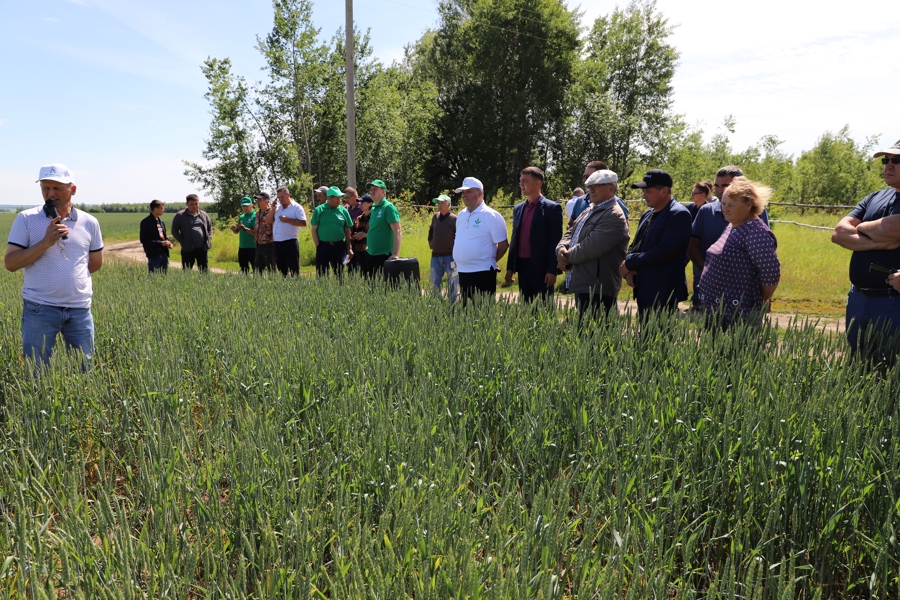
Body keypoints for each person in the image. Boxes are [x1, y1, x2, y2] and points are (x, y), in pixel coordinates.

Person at [5, 164, 103, 368]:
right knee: (36, 370)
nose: (50, 194)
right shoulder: (26, 219)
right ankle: (37, 400)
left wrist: (70, 279)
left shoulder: (89, 222)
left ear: (73, 190)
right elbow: (11, 263)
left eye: (57, 188)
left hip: (79, 309)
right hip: (39, 308)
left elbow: (94, 263)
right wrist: (44, 243)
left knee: (85, 368)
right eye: (45, 188)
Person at [832, 138, 900, 362]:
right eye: (886, 160)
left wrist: (861, 227)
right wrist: (879, 242)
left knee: (890, 371)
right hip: (858, 298)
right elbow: (839, 234)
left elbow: (893, 226)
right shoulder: (875, 197)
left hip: (892, 302)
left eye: (896, 160)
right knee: (859, 367)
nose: (888, 165)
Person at [697, 177, 780, 329]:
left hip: (737, 315)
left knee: (734, 352)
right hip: (718, 311)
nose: (725, 209)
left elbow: (770, 274)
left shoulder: (756, 233)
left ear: (749, 205)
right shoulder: (733, 225)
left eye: (731, 205)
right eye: (723, 204)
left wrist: (757, 300)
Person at [687, 166, 770, 298]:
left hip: (744, 294)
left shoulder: (756, 212)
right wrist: (710, 273)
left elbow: (764, 258)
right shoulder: (706, 211)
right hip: (708, 290)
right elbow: (692, 248)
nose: (720, 191)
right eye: (717, 186)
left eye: (725, 185)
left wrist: (766, 296)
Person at [556, 170, 630, 316]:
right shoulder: (590, 209)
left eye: (597, 186)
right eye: (589, 186)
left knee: (597, 333)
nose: (591, 189)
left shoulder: (613, 214)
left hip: (598, 285)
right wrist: (560, 249)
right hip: (585, 282)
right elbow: (570, 233)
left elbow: (590, 247)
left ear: (612, 189)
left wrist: (566, 257)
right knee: (585, 333)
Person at [620, 169, 692, 314]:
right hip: (643, 285)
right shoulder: (648, 214)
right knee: (645, 334)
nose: (644, 195)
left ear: (664, 191)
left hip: (663, 289)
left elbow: (665, 251)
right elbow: (636, 245)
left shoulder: (678, 214)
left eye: (648, 191)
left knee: (659, 334)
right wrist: (629, 270)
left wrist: (630, 263)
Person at [506, 166, 563, 303]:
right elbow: (515, 239)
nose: (521, 184)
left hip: (542, 269)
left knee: (543, 309)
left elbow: (555, 242)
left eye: (525, 181)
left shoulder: (552, 208)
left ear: (537, 183)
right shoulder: (519, 208)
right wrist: (510, 268)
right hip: (523, 267)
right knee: (526, 308)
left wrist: (552, 270)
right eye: (520, 180)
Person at [452, 177, 509, 301]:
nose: (464, 195)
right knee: (467, 311)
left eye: (468, 191)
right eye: (463, 192)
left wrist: (490, 259)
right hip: (462, 271)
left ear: (480, 193)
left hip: (482, 271)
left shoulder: (491, 215)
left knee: (483, 311)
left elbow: (503, 244)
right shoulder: (461, 215)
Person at [569, 161, 629, 227]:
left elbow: (624, 231)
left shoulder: (617, 203)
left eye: (588, 177)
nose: (584, 180)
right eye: (584, 176)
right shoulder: (580, 201)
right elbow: (571, 225)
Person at [310, 186, 354, 276]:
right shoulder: (319, 210)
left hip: (339, 246)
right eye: (337, 198)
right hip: (323, 245)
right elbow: (314, 230)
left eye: (340, 198)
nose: (339, 201)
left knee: (339, 273)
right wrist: (318, 246)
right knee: (322, 274)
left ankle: (340, 289)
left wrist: (349, 248)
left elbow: (347, 231)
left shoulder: (343, 210)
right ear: (329, 198)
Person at [365, 179, 402, 274]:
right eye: (371, 189)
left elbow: (397, 231)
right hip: (371, 253)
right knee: (371, 286)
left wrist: (395, 254)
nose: (372, 192)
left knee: (382, 286)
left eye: (375, 189)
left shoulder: (388, 207)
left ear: (383, 192)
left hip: (383, 254)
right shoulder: (373, 207)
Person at [171, 194, 212, 272]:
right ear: (187, 204)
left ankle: (203, 284)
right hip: (188, 248)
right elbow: (174, 231)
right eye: (192, 204)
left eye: (196, 204)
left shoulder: (203, 215)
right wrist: (183, 242)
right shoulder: (180, 215)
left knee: (204, 271)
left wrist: (208, 240)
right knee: (187, 271)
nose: (194, 206)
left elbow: (210, 229)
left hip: (202, 248)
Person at [272, 186, 307, 276]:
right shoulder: (278, 208)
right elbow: (268, 220)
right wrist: (272, 209)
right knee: (281, 269)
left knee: (293, 268)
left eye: (282, 197)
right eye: (279, 197)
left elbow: (303, 223)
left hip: (290, 241)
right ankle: (284, 287)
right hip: (277, 242)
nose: (280, 199)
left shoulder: (297, 207)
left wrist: (287, 220)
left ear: (288, 195)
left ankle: (296, 287)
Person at [428, 194, 458, 301]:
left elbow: (459, 235)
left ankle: (452, 303)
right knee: (434, 281)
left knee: (453, 279)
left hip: (451, 257)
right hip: (436, 256)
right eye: (438, 203)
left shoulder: (454, 219)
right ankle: (435, 303)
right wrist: (430, 241)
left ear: (448, 204)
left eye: (442, 203)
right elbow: (431, 230)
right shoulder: (435, 217)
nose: (439, 205)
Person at [140, 199, 174, 273]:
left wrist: (168, 243)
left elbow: (164, 237)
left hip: (164, 254)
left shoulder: (161, 222)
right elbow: (144, 239)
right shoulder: (146, 222)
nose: (163, 210)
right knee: (154, 278)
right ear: (155, 209)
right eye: (162, 208)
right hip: (154, 255)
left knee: (163, 278)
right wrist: (160, 243)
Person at [247, 192, 276, 273]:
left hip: (269, 245)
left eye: (260, 200)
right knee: (257, 271)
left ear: (266, 201)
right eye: (257, 200)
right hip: (259, 245)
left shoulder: (272, 212)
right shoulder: (257, 213)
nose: (257, 202)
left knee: (272, 270)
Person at [230, 197, 257, 274]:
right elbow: (237, 231)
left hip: (253, 247)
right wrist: (234, 229)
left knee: (256, 269)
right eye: (243, 206)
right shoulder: (242, 217)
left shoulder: (254, 216)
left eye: (247, 206)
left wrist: (245, 229)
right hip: (242, 247)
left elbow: (256, 233)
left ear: (252, 205)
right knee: (243, 269)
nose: (245, 208)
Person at [350, 194, 373, 275]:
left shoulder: (375, 218)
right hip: (359, 252)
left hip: (372, 252)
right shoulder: (358, 219)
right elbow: (352, 234)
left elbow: (378, 233)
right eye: (360, 202)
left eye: (363, 202)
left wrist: (365, 235)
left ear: (370, 203)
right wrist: (356, 236)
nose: (361, 204)